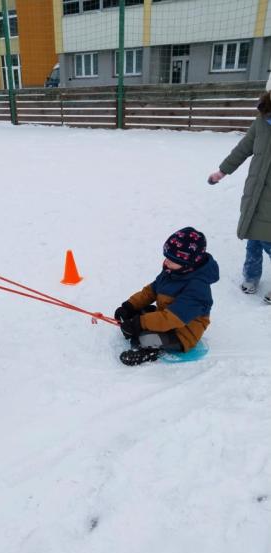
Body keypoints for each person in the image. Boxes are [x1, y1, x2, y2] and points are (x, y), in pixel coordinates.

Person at [114, 227, 219, 366]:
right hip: (166, 316)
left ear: (188, 263)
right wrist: (129, 305)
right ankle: (139, 328)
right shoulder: (172, 271)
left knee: (144, 338)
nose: (166, 262)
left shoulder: (198, 289)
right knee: (138, 314)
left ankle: (148, 352)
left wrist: (139, 324)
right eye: (167, 257)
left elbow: (171, 319)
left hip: (182, 333)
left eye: (172, 259)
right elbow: (151, 291)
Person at [208, 84, 271, 302]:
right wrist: (222, 171)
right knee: (253, 238)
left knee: (268, 241)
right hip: (255, 192)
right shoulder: (261, 122)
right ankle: (251, 276)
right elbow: (243, 148)